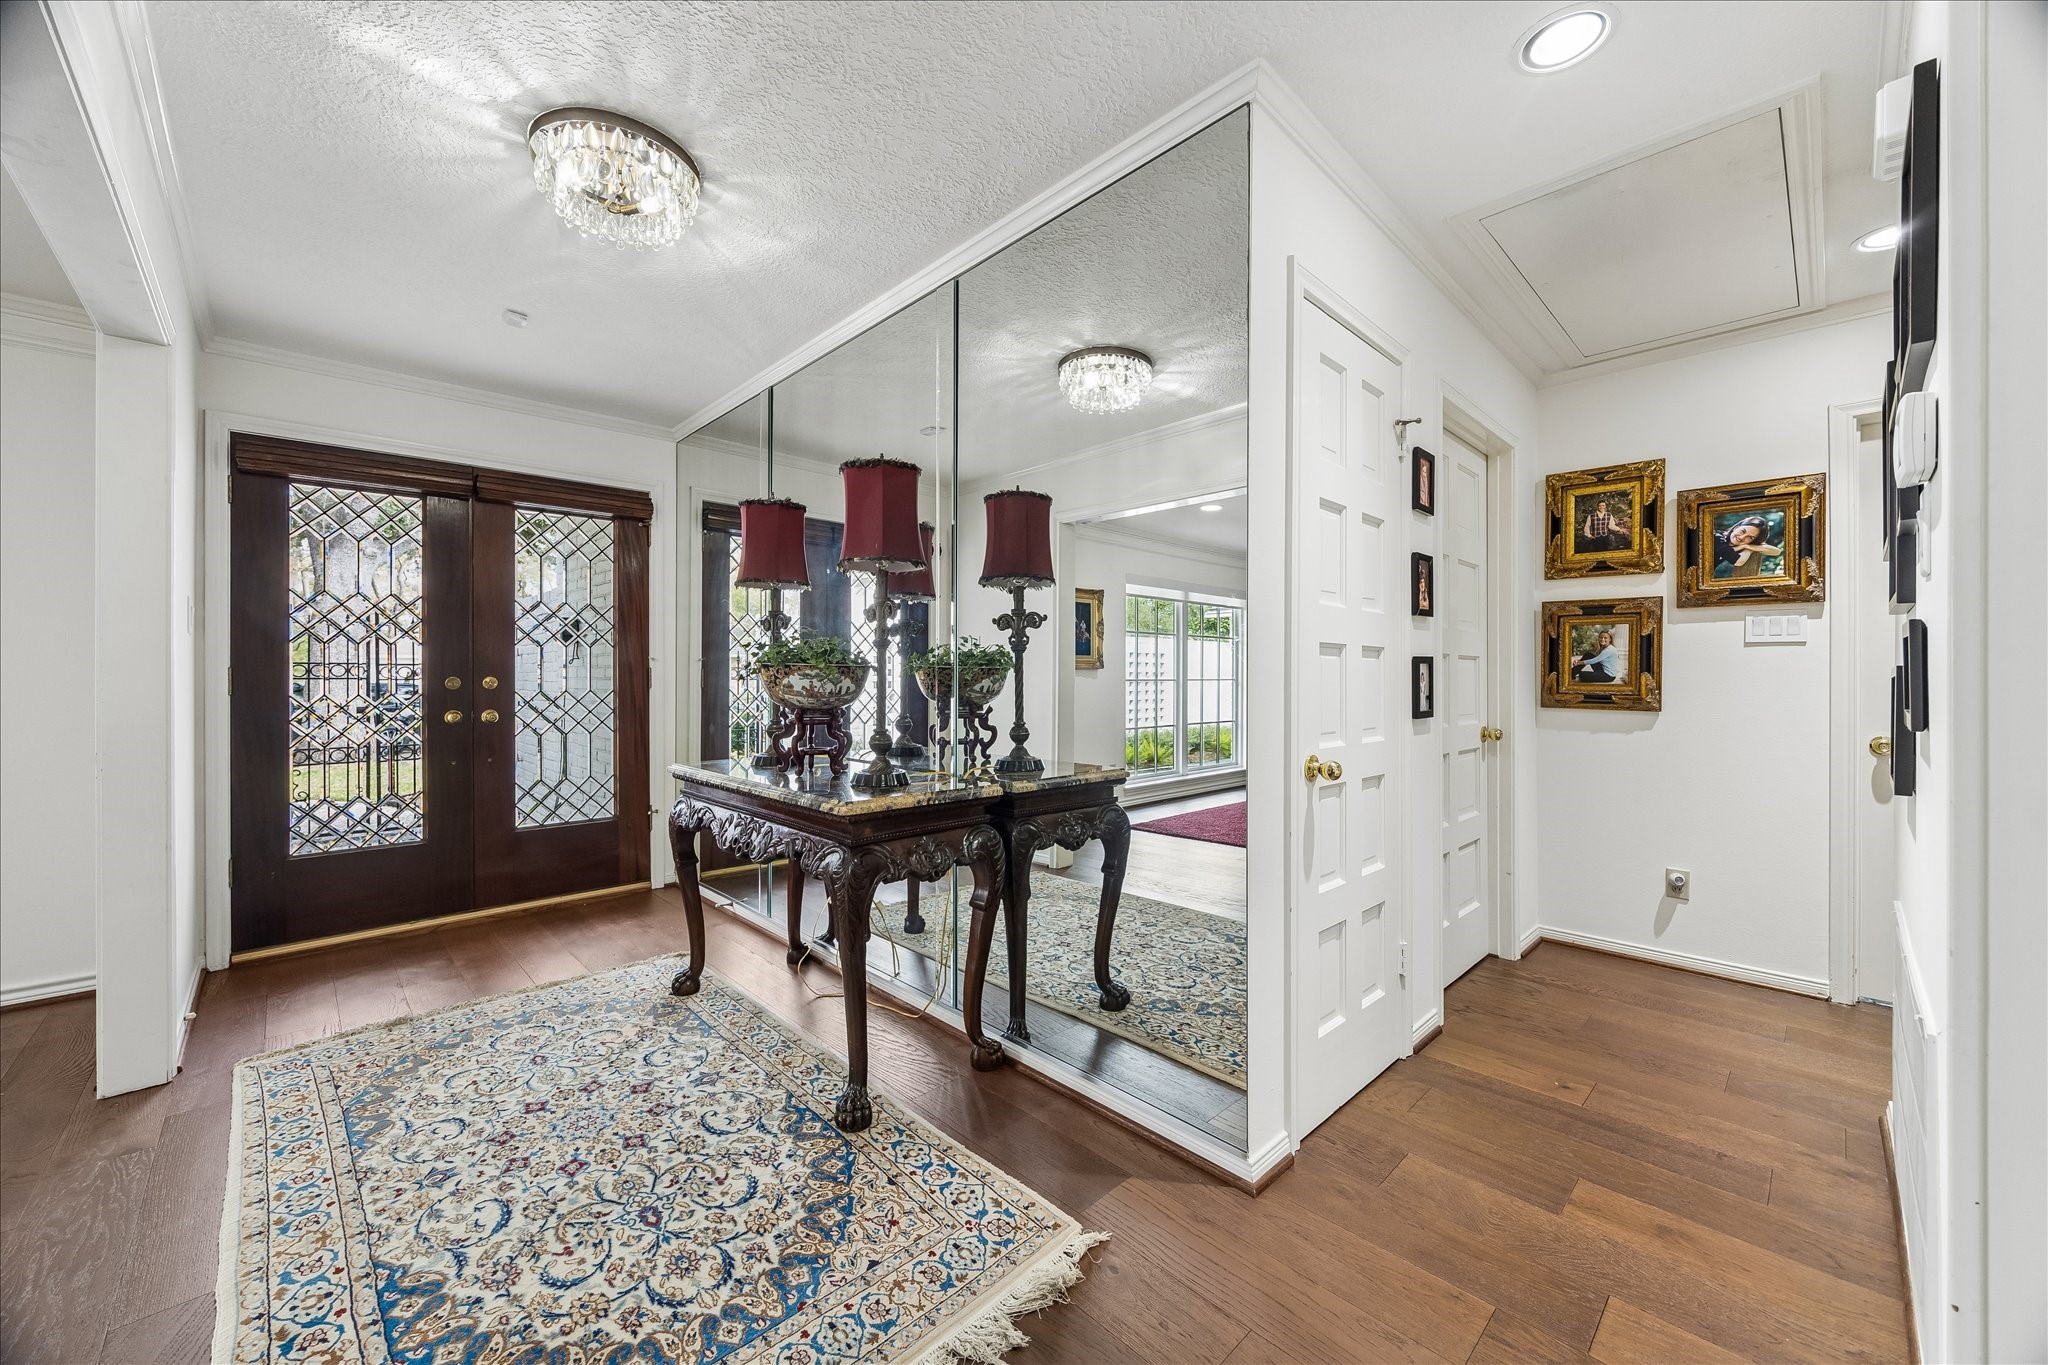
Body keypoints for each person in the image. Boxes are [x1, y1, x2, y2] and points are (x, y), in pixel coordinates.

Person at [1713, 515, 1783, 579]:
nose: (1742, 537)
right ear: (1737, 527)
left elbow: (1777, 551)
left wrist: (1747, 546)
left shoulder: (1738, 545)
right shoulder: (1717, 538)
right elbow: (1739, 561)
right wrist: (1747, 548)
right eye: (1742, 531)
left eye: (1750, 537)